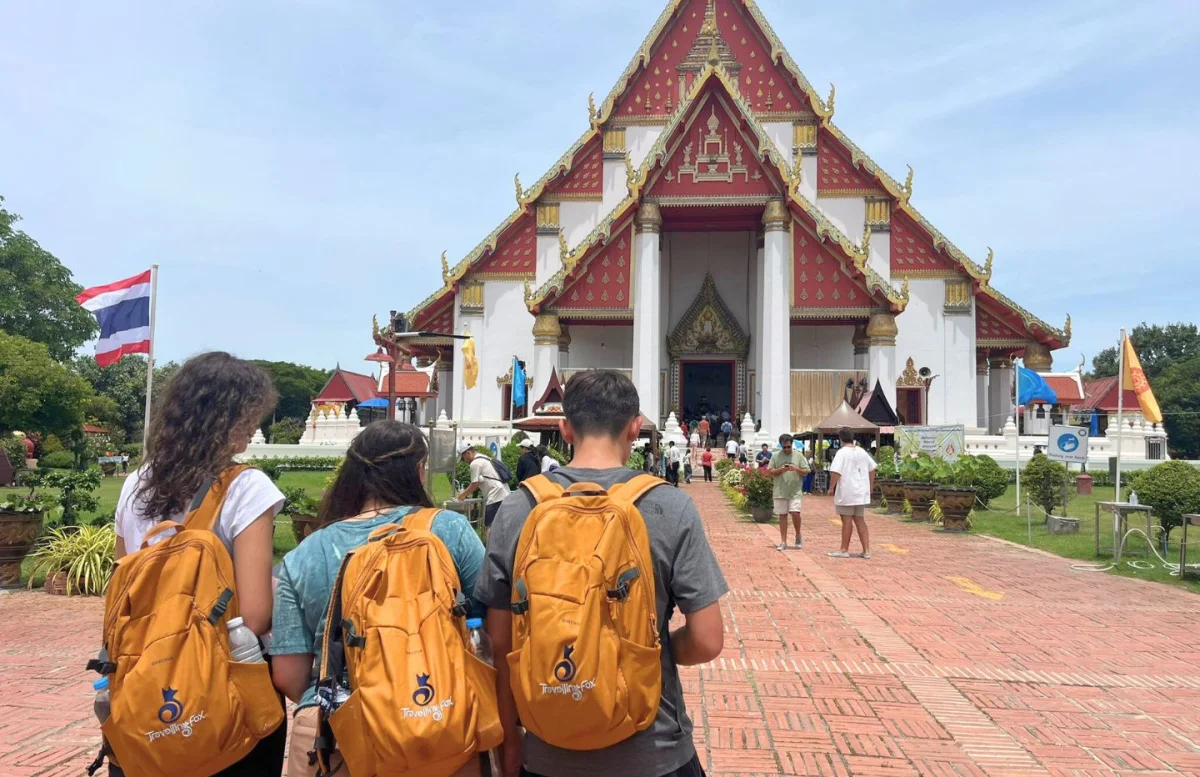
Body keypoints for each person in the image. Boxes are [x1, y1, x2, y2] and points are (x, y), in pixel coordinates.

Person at [476, 369, 727, 777]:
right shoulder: (670, 506)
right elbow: (707, 639)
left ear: (565, 428)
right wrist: (647, 649)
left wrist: (509, 739)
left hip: (547, 746)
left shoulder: (519, 507)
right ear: (634, 427)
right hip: (653, 747)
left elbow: (500, 642)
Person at [271, 421, 486, 777]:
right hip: (436, 719)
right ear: (418, 471)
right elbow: (486, 628)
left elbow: (288, 674)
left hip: (334, 734)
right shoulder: (449, 529)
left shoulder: (305, 555)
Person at [114, 352, 286, 776]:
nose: (250, 434)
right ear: (226, 420)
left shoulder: (136, 483)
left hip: (145, 674)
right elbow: (256, 613)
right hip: (222, 683)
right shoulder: (246, 486)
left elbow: (126, 582)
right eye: (248, 421)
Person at [827, 427, 876, 560]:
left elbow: (836, 472)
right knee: (860, 520)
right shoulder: (862, 451)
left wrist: (831, 487)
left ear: (840, 439)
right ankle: (866, 550)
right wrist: (870, 486)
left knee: (846, 520)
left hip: (847, 491)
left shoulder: (842, 453)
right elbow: (872, 469)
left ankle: (844, 549)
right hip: (861, 492)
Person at [766, 433, 809, 551]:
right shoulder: (775, 456)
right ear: (781, 446)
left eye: (788, 447)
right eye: (784, 447)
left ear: (792, 445)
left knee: (795, 513)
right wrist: (781, 469)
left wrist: (796, 469)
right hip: (780, 491)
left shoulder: (799, 456)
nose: (786, 449)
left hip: (795, 490)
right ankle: (783, 541)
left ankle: (798, 534)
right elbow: (770, 471)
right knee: (783, 515)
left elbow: (806, 471)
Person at [458, 443, 511, 527]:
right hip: (505, 492)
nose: (464, 461)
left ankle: (489, 540)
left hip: (495, 495)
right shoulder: (484, 457)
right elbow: (480, 480)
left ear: (468, 453)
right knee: (502, 524)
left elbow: (474, 484)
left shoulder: (475, 463)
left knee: (489, 524)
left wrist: (462, 495)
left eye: (463, 458)